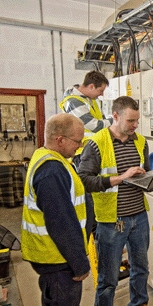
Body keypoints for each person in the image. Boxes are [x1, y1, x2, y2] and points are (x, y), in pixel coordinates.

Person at [78, 96, 153, 306]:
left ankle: (139, 303)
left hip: (139, 216)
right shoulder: (96, 143)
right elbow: (84, 181)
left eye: (137, 121)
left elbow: (141, 174)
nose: (135, 125)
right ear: (115, 117)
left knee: (141, 269)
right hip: (111, 220)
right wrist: (120, 177)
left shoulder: (141, 141)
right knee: (108, 279)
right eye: (130, 121)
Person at [21, 113, 90, 306]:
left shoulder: (48, 157)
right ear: (60, 140)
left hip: (56, 257)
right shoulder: (51, 170)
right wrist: (79, 264)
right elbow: (61, 223)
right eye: (78, 141)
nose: (80, 146)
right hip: (57, 259)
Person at [60, 70, 113, 165]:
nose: (102, 94)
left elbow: (102, 120)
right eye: (100, 90)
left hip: (93, 148)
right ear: (91, 86)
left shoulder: (91, 100)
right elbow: (95, 126)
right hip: (81, 151)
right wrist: (117, 120)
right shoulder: (73, 102)